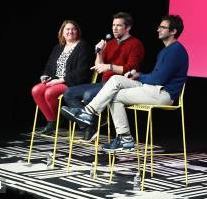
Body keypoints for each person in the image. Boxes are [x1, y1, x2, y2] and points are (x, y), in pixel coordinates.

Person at [61, 14, 188, 152]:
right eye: (159, 27)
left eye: (163, 27)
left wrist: (138, 76)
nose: (158, 30)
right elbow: (154, 77)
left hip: (163, 93)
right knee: (115, 84)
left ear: (173, 31)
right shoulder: (166, 50)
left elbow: (158, 79)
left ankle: (89, 113)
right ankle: (122, 137)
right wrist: (138, 75)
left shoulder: (175, 50)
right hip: (153, 88)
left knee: (113, 92)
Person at [62, 11, 145, 141]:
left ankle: (92, 122)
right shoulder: (110, 43)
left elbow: (131, 69)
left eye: (119, 25)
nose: (115, 28)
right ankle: (90, 125)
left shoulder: (135, 44)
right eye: (113, 25)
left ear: (128, 28)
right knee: (69, 93)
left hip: (121, 85)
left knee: (88, 95)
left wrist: (109, 67)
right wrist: (99, 53)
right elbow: (99, 67)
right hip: (103, 83)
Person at [31, 20, 93, 135]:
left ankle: (57, 121)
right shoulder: (58, 47)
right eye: (67, 29)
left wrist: (61, 80)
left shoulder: (83, 46)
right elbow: (49, 66)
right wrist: (45, 76)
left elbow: (82, 71)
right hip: (55, 80)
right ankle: (52, 121)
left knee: (49, 93)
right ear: (62, 33)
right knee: (36, 90)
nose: (70, 31)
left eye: (73, 29)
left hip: (72, 82)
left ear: (77, 31)